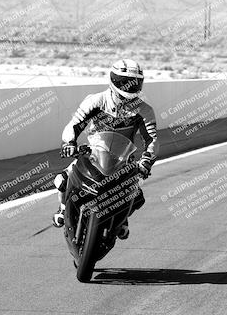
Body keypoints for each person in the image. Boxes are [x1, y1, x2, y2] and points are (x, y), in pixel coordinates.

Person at [52, 59, 158, 239]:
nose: (130, 86)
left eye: (135, 82)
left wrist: (147, 160)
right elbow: (74, 125)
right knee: (61, 180)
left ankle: (122, 219)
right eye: (125, 81)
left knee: (136, 194)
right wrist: (69, 143)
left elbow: (152, 140)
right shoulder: (95, 101)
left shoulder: (144, 110)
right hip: (93, 153)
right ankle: (63, 208)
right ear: (114, 79)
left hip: (123, 159)